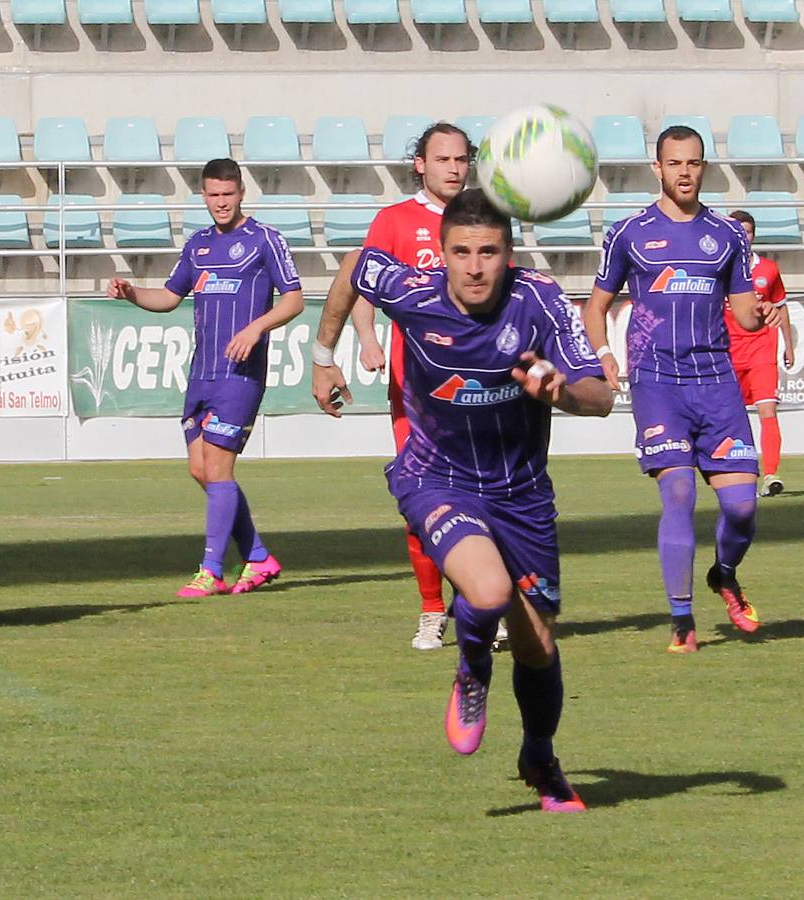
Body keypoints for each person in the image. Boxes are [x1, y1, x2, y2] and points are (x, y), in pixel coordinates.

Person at [312, 189, 613, 812]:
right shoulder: (412, 292)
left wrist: (560, 392)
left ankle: (540, 756)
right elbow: (353, 267)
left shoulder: (541, 302)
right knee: (488, 592)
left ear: (509, 253)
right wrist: (324, 355)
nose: (475, 266)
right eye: (462, 252)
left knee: (537, 645)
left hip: (522, 494)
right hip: (436, 478)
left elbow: (601, 395)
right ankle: (472, 667)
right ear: (442, 253)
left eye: (489, 252)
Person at [582, 126, 770, 654]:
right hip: (657, 381)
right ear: (658, 169)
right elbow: (595, 306)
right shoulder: (630, 233)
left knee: (741, 508)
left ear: (703, 168)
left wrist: (763, 314)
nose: (684, 172)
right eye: (674, 163)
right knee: (680, 492)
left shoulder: (729, 236)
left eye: (693, 163)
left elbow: (744, 316)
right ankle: (682, 622)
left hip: (715, 382)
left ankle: (724, 574)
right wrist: (605, 356)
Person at [107, 158, 304, 596]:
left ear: (240, 193)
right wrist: (132, 292)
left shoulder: (264, 240)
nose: (221, 202)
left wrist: (255, 328)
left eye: (227, 194)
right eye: (213, 195)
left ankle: (211, 570)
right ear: (203, 196)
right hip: (201, 374)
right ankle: (258, 557)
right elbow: (169, 297)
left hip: (240, 374)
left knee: (217, 467)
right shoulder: (197, 245)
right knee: (201, 470)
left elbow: (294, 298)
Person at [350, 123, 482, 651]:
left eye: (461, 158)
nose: (454, 167)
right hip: (417, 392)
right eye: (443, 158)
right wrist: (365, 337)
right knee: (421, 501)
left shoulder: (482, 219)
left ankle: (479, 606)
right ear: (419, 165)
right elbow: (363, 287)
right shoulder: (394, 221)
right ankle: (432, 610)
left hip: (481, 388)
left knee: (482, 503)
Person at [726, 209, 793, 497]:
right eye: (739, 231)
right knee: (733, 417)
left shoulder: (768, 269)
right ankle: (742, 476)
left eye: (748, 231)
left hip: (762, 349)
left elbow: (780, 307)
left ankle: (771, 474)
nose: (744, 236)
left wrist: (789, 345)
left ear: (754, 235)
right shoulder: (720, 268)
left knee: (768, 411)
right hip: (729, 352)